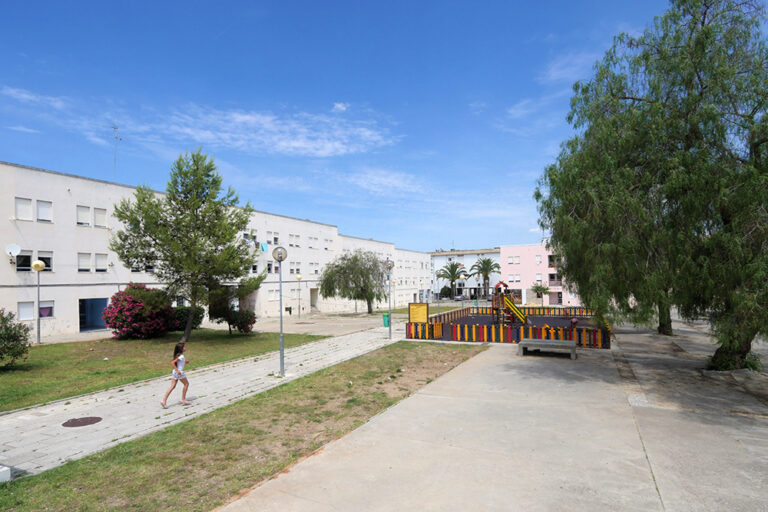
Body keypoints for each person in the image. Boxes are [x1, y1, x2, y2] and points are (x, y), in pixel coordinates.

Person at [161, 342, 191, 408]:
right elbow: (172, 363)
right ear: (181, 349)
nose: (185, 348)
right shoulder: (181, 356)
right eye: (184, 347)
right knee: (186, 384)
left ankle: (163, 401)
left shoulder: (179, 356)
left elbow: (179, 362)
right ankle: (183, 399)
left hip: (174, 372)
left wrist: (185, 362)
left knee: (172, 386)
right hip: (179, 372)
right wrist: (177, 370)